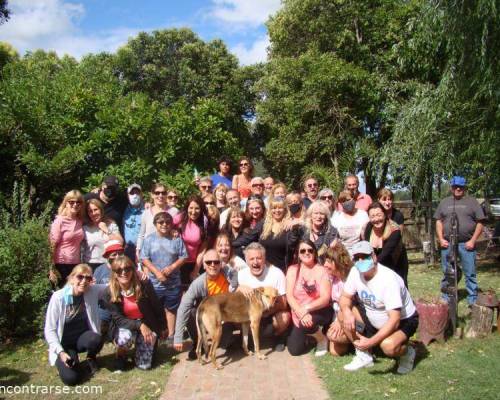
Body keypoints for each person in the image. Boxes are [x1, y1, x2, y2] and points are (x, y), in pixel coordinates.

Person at [340, 241, 418, 374]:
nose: (360, 261)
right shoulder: (355, 272)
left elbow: (394, 321)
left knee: (388, 346)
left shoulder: (389, 280)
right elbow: (344, 297)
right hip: (372, 314)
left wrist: (371, 342)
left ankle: (407, 352)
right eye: (356, 258)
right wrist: (347, 312)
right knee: (342, 315)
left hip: (403, 321)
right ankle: (363, 355)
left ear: (374, 257)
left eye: (364, 257)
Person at [44, 264, 105, 385]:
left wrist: (138, 275)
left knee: (96, 339)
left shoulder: (92, 290)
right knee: (72, 379)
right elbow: (49, 329)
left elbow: (113, 286)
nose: (84, 281)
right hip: (64, 344)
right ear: (71, 278)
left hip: (81, 339)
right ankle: (68, 361)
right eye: (80, 277)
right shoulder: (58, 297)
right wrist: (61, 353)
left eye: (88, 278)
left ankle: (91, 358)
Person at [103, 255, 167, 370]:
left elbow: (157, 305)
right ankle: (121, 353)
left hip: (147, 323)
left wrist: (163, 326)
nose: (124, 272)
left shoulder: (144, 285)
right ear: (114, 273)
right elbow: (118, 319)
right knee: (124, 338)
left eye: (127, 269)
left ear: (133, 270)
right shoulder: (109, 292)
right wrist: (140, 325)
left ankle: (144, 347)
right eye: (119, 270)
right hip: (125, 326)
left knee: (144, 366)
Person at [173, 250, 238, 359]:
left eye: (216, 262)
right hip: (208, 316)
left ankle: (238, 339)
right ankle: (200, 343)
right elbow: (183, 307)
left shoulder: (228, 274)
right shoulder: (198, 283)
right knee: (191, 312)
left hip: (227, 316)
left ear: (221, 263)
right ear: (203, 265)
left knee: (224, 343)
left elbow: (237, 277)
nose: (213, 265)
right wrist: (178, 337)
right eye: (209, 262)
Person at [434, 176, 486, 305]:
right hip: (448, 243)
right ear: (451, 187)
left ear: (464, 188)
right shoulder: (444, 202)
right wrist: (440, 239)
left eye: (461, 186)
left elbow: (480, 222)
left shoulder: (472, 202)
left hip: (466, 243)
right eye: (455, 186)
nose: (458, 188)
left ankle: (472, 299)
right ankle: (446, 296)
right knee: (447, 271)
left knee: (470, 272)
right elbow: (438, 221)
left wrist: (473, 240)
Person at [141, 212, 188, 344]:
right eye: (161, 222)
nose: (164, 225)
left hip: (173, 282)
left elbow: (184, 256)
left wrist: (172, 268)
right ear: (155, 224)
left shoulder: (176, 239)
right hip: (155, 282)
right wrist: (157, 273)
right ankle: (158, 332)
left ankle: (171, 335)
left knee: (171, 308)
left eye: (167, 222)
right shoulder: (149, 239)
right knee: (156, 308)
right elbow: (144, 258)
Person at [237, 243, 291, 351]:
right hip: (251, 315)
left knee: (285, 317)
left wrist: (264, 312)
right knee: (234, 315)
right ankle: (248, 338)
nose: (255, 262)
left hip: (270, 314)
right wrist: (239, 289)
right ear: (246, 261)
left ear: (264, 259)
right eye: (251, 259)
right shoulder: (241, 274)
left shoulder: (276, 273)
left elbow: (284, 303)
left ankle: (279, 338)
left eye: (259, 258)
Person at [285, 240, 332, 356]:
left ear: (315, 253)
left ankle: (321, 339)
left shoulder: (322, 270)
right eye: (303, 251)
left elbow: (325, 298)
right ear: (298, 254)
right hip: (299, 312)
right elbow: (289, 296)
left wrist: (306, 309)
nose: (306, 253)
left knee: (307, 323)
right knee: (294, 350)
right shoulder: (292, 270)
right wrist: (301, 312)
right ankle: (311, 335)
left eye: (310, 250)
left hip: (319, 310)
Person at [364, 202, 409, 286]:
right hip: (375, 264)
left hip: (394, 264)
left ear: (385, 215)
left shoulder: (395, 230)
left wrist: (369, 265)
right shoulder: (368, 227)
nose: (376, 219)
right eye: (372, 216)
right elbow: (365, 247)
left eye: (379, 215)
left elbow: (386, 253)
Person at [323, 243, 355, 356]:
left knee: (334, 340)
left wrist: (339, 321)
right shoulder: (333, 277)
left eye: (329, 262)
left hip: (349, 315)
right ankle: (351, 341)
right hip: (336, 315)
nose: (325, 265)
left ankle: (361, 343)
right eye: (325, 261)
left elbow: (351, 305)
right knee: (334, 351)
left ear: (338, 262)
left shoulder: (351, 278)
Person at [49, 190, 85, 286]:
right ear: (66, 203)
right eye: (71, 202)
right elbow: (52, 244)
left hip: (76, 264)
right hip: (61, 263)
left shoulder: (80, 221)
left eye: (78, 202)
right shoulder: (59, 221)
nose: (75, 205)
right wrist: (51, 268)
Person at [173, 196, 209, 286]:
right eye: (191, 208)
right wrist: (172, 231)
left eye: (197, 208)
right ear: (187, 208)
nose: (193, 212)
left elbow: (202, 250)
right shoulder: (181, 217)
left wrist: (195, 270)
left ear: (201, 209)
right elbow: (165, 225)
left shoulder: (204, 223)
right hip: (176, 262)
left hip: (193, 263)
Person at [136, 183, 176, 263]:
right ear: (152, 195)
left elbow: (178, 232)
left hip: (168, 255)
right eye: (157, 193)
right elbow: (142, 234)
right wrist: (138, 249)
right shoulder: (146, 213)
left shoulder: (174, 212)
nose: (160, 195)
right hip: (149, 254)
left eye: (163, 193)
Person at [94, 240, 125, 336]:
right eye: (114, 254)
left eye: (120, 254)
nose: (117, 257)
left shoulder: (127, 268)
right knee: (99, 335)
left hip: (122, 308)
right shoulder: (100, 270)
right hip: (104, 308)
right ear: (107, 256)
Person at [82, 198, 123, 271]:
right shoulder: (85, 228)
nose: (93, 213)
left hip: (108, 264)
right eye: (90, 211)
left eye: (96, 210)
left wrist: (106, 230)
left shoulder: (111, 224)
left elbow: (120, 242)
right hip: (90, 265)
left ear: (101, 210)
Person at [259, 196, 297, 272]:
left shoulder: (289, 226)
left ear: (285, 209)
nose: (277, 210)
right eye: (274, 208)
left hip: (283, 270)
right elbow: (248, 237)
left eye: (280, 208)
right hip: (264, 270)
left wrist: (296, 225)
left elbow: (293, 246)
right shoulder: (263, 224)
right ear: (270, 210)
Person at [123, 183, 145, 262]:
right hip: (128, 249)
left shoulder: (147, 210)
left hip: (143, 249)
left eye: (137, 192)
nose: (135, 195)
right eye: (132, 193)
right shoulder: (123, 210)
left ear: (141, 195)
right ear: (127, 196)